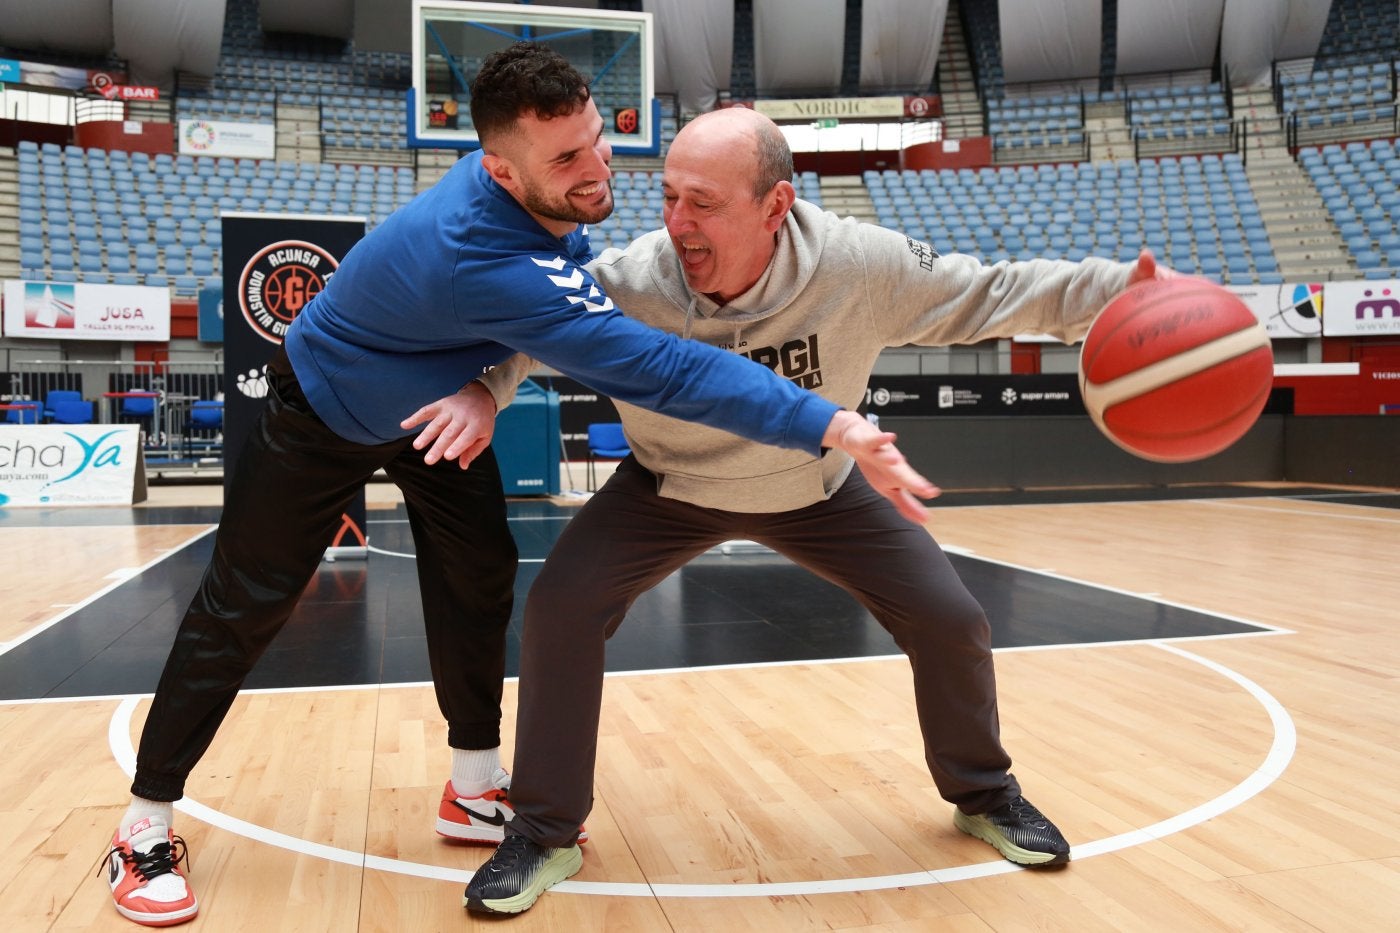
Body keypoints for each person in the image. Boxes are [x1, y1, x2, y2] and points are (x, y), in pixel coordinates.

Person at [101, 46, 935, 928]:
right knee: (245, 605)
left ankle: (469, 787)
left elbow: (526, 306)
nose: (595, 170)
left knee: (479, 573)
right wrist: (830, 421)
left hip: (432, 411)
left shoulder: (524, 192)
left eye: (598, 142)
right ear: (499, 167)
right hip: (325, 411)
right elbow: (664, 369)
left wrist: (479, 388)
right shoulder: (486, 258)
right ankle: (144, 818)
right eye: (565, 160)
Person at [461, 106, 1172, 915]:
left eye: (704, 203)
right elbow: (526, 326)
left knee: (952, 618)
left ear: (776, 205)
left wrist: (1121, 289)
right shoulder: (629, 281)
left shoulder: (858, 264)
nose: (677, 223)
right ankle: (546, 829)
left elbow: (990, 292)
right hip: (668, 490)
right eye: (667, 198)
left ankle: (983, 792)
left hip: (817, 490)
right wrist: (486, 392)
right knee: (558, 606)